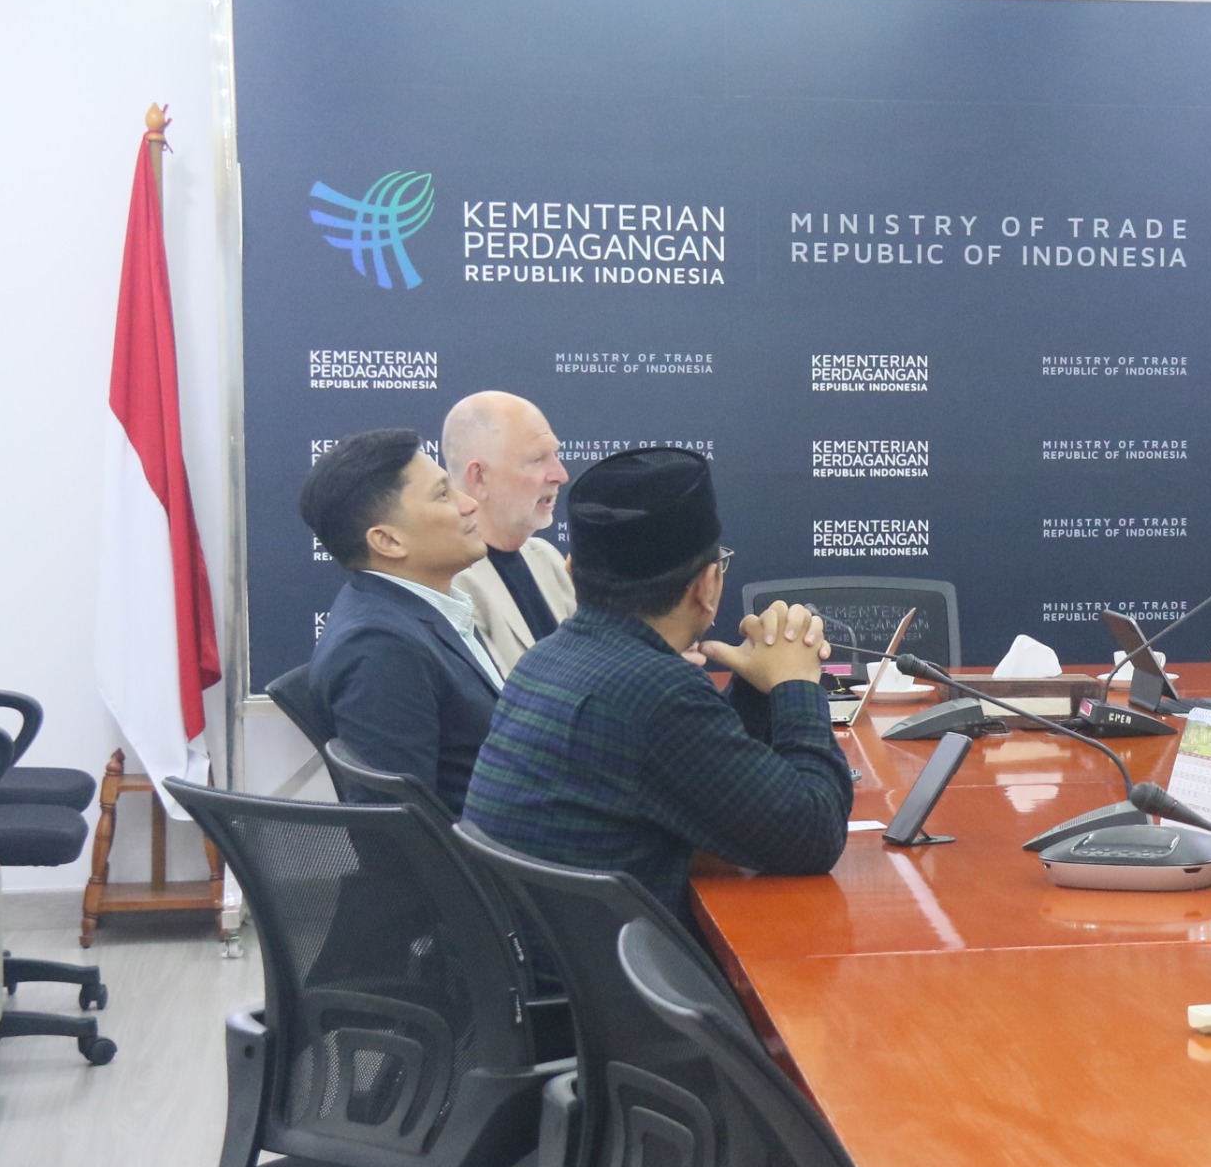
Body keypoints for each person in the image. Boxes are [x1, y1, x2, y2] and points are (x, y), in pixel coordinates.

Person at [463, 448, 854, 912]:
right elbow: (814, 836)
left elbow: (714, 782)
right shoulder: (656, 692)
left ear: (572, 574)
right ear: (707, 586)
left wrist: (755, 689)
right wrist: (797, 685)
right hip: (620, 957)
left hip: (540, 947)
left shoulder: (546, 659)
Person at [300, 429, 502, 815]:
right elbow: (400, 832)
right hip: (491, 852)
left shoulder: (421, 611)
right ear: (389, 541)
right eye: (442, 494)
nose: (469, 504)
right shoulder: (380, 650)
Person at [443, 391, 574, 675]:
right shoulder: (448, 584)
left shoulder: (547, 559)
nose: (560, 474)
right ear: (479, 477)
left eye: (555, 454)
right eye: (537, 459)